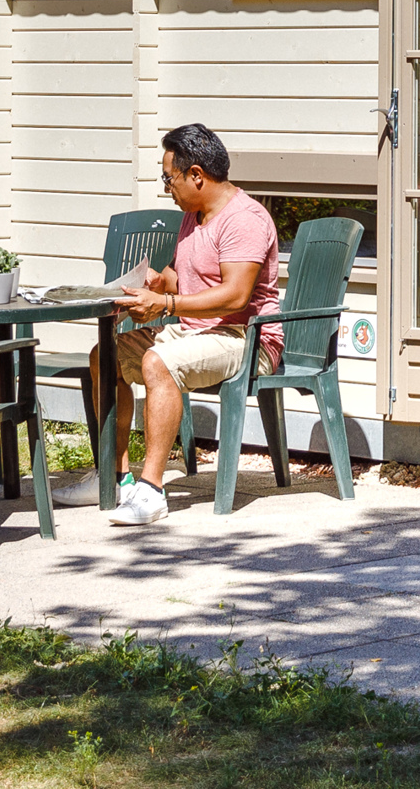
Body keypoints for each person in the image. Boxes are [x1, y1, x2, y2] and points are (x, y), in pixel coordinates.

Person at [94, 123, 284, 528]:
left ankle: (151, 490)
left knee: (158, 362)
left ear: (196, 175)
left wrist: (165, 302)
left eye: (169, 179)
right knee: (103, 356)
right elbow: (180, 275)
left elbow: (234, 296)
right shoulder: (193, 215)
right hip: (197, 330)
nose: (167, 188)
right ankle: (115, 477)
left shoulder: (244, 219)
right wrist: (157, 284)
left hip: (246, 337)